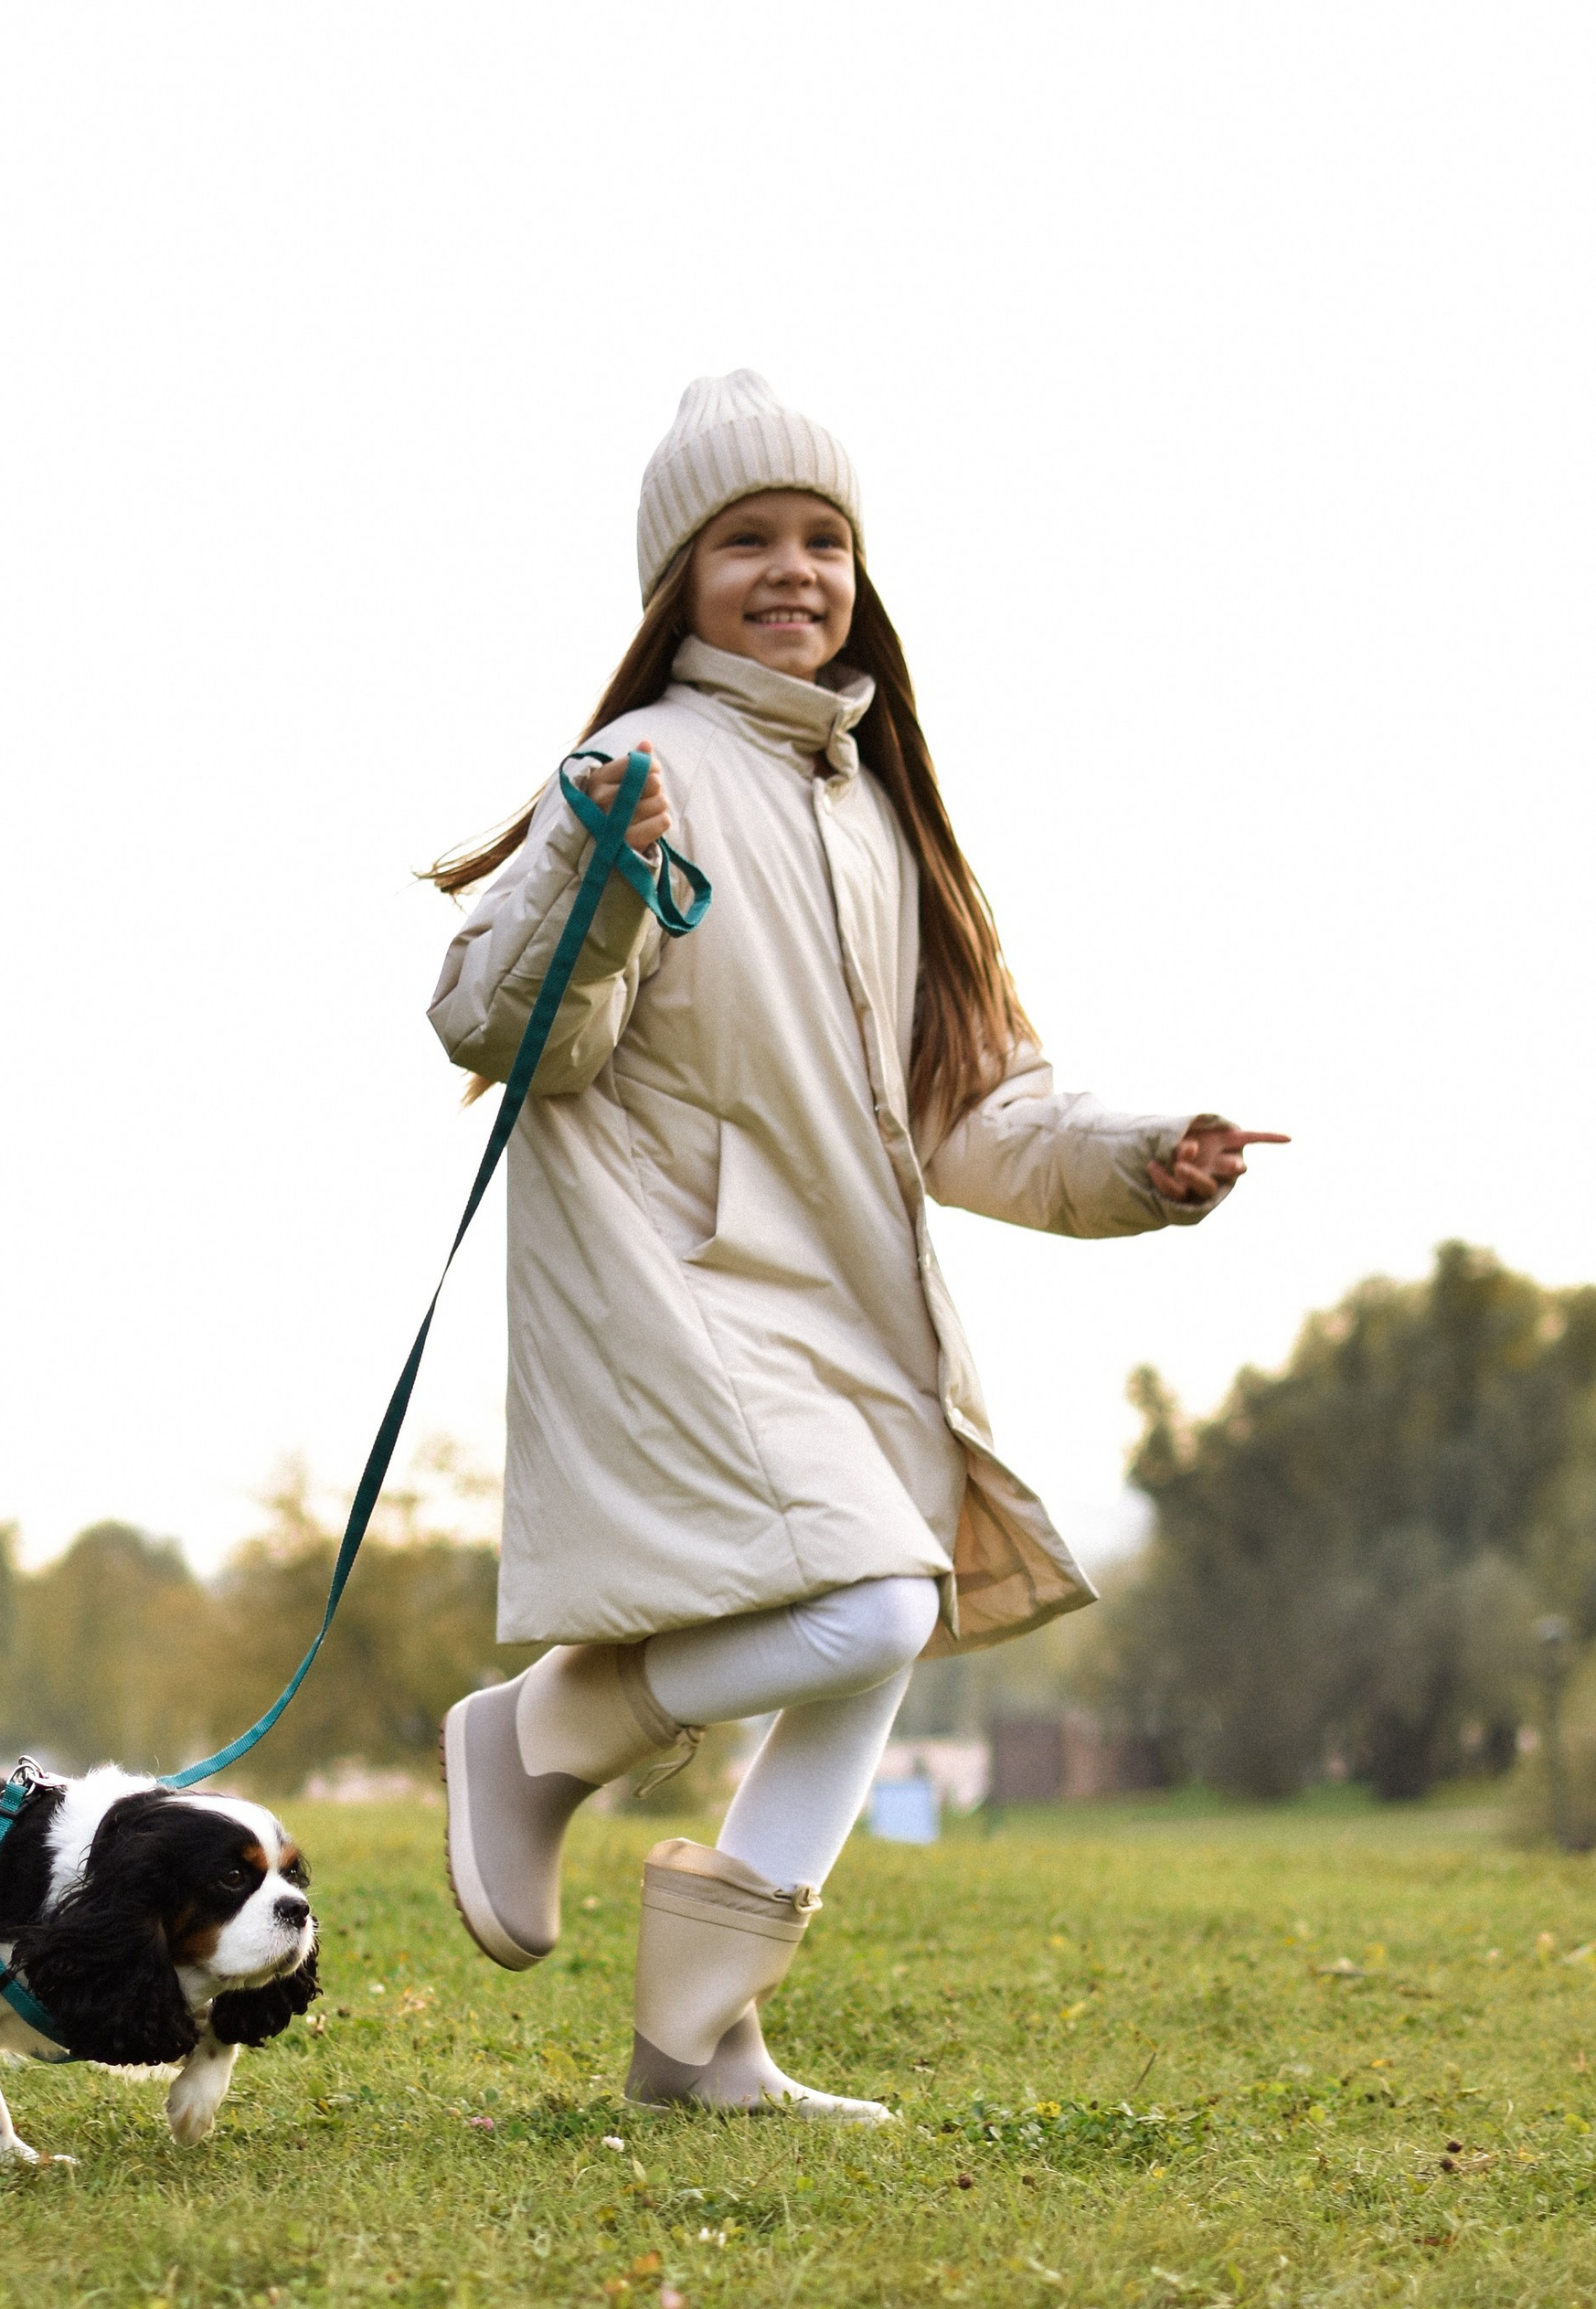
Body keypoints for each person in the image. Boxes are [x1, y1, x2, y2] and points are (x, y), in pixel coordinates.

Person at [430, 369, 1283, 2119]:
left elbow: (965, 1108)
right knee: (882, 1595)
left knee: (882, 1621)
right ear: (680, 578)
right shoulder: (639, 764)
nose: (794, 568)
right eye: (748, 539)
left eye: (825, 539)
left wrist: (1142, 1157)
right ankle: (536, 1735)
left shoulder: (873, 808)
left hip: (838, 1295)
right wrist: (590, 878)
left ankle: (699, 2046)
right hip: (675, 1280)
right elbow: (510, 1032)